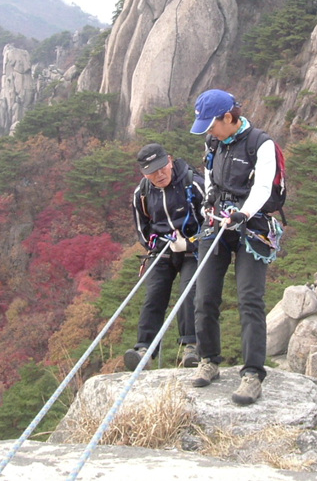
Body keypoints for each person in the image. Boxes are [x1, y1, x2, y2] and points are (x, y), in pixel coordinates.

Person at [188, 89, 283, 406]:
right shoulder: (214, 141)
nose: (209, 131)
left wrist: (243, 213)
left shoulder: (261, 143)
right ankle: (209, 360)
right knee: (204, 296)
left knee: (249, 298)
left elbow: (263, 186)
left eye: (212, 124)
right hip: (218, 221)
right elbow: (210, 177)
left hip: (250, 226)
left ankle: (253, 374)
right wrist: (209, 204)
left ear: (229, 117)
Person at [126, 143, 205, 371]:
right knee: (154, 294)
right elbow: (143, 229)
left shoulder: (194, 184)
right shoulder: (142, 193)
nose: (159, 175)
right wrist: (161, 244)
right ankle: (144, 349)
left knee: (189, 292)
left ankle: (191, 345)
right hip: (162, 249)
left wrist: (191, 243)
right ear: (144, 173)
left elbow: (211, 222)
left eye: (162, 167)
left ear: (170, 160)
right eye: (152, 171)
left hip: (193, 248)